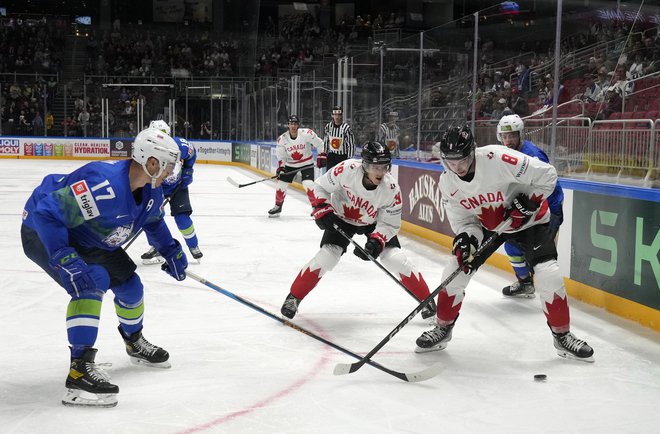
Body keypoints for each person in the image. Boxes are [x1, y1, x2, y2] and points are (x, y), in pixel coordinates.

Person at [21, 128, 188, 407]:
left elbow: (153, 222)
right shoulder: (102, 185)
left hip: (87, 235)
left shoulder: (150, 191)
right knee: (91, 280)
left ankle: (134, 341)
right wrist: (63, 255)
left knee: (131, 285)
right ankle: (78, 371)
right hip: (43, 231)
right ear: (151, 163)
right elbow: (47, 214)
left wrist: (171, 250)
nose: (172, 172)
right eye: (169, 165)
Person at [414, 125, 593, 362]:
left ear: (472, 152)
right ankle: (443, 328)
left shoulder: (499, 158)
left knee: (548, 274)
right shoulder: (448, 183)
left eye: (462, 160)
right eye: (450, 161)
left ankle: (562, 337)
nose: (456, 167)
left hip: (531, 223)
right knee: (454, 271)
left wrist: (528, 202)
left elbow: (548, 175)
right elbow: (464, 222)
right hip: (490, 226)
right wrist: (466, 240)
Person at [279, 142, 437, 322]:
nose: (379, 172)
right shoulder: (346, 170)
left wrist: (377, 240)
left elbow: (390, 224)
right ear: (364, 165)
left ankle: (428, 301)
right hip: (341, 219)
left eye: (384, 166)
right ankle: (293, 298)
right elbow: (319, 187)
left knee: (395, 259)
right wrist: (322, 207)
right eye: (374, 166)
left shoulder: (391, 189)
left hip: (373, 223)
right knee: (327, 256)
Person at [496, 114, 564, 297]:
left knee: (540, 256)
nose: (508, 140)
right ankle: (525, 283)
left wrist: (552, 213)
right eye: (505, 136)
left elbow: (550, 184)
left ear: (520, 135)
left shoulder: (532, 155)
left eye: (512, 136)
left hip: (548, 209)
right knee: (511, 246)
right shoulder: (505, 155)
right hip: (528, 210)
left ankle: (551, 293)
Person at [141, 120, 203, 263]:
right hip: (156, 187)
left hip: (178, 186)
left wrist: (188, 171)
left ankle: (193, 246)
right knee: (152, 219)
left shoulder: (179, 145)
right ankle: (157, 247)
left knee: (182, 218)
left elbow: (191, 154)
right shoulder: (145, 149)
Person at [268, 115, 324, 217]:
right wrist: (281, 168)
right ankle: (278, 206)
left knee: (308, 184)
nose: (293, 126)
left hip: (307, 163)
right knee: (281, 185)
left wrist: (322, 155)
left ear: (298, 125)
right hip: (290, 165)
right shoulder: (282, 139)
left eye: (295, 124)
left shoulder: (307, 133)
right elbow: (281, 156)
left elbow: (320, 143)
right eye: (291, 124)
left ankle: (315, 207)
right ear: (288, 125)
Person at [318, 106, 355, 170]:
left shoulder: (346, 128)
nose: (337, 117)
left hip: (342, 156)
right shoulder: (328, 126)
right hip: (331, 155)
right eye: (335, 115)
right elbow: (326, 141)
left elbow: (351, 144)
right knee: (329, 175)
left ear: (341, 116)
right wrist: (324, 153)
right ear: (332, 115)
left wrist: (349, 158)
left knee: (341, 177)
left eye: (339, 115)